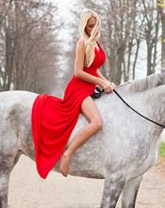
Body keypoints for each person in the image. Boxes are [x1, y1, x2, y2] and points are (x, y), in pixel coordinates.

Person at [31, 10, 115, 179]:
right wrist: (101, 83)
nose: (95, 28)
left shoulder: (96, 44)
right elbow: (78, 72)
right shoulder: (82, 43)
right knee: (97, 122)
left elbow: (94, 69)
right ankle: (67, 154)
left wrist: (108, 82)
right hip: (78, 89)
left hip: (91, 87)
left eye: (97, 25)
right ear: (85, 27)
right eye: (91, 26)